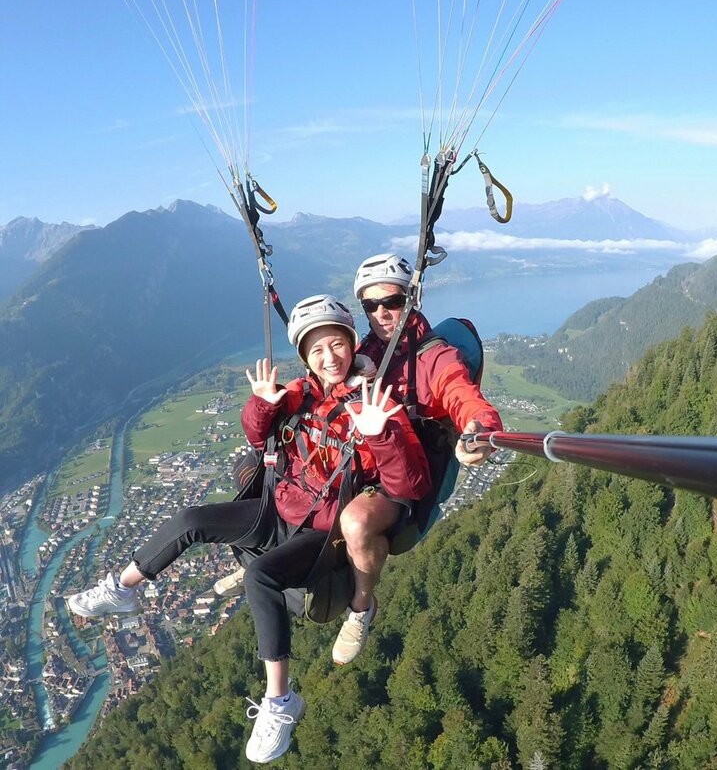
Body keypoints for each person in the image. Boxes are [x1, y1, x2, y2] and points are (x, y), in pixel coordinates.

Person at [66, 294, 431, 765]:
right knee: (190, 521)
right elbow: (258, 438)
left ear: (350, 343)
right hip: (275, 510)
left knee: (262, 576)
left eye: (336, 345)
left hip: (321, 533)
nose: (329, 358)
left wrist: (380, 431)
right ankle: (123, 588)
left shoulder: (376, 401)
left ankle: (280, 700)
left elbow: (410, 485)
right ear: (306, 358)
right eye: (317, 351)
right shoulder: (302, 392)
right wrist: (261, 406)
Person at [328, 253, 503, 666]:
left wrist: (480, 428)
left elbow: (461, 394)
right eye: (371, 305)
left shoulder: (433, 357)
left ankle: (361, 607)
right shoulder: (364, 353)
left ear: (412, 298)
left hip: (409, 473)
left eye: (392, 301)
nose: (383, 313)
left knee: (354, 521)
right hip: (369, 460)